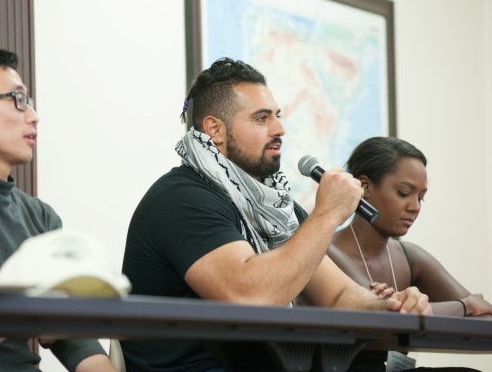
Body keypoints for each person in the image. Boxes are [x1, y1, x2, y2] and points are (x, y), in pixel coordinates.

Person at [120, 57, 431, 372]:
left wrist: (392, 307)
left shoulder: (279, 208)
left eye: (277, 116)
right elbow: (250, 296)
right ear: (215, 129)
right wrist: (327, 214)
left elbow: (337, 295)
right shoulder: (182, 198)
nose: (279, 128)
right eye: (261, 118)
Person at [0, 48, 116, 372]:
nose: (33, 115)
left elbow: (76, 343)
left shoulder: (40, 217)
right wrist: (26, 309)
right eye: (18, 99)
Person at [328, 136, 491, 371]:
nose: (415, 206)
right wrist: (463, 306)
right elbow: (385, 314)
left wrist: (464, 306)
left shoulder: (408, 256)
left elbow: (484, 314)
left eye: (421, 197)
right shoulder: (328, 252)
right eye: (404, 193)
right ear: (364, 187)